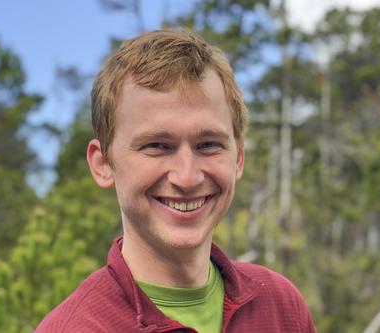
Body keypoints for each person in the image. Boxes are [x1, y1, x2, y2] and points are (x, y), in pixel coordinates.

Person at [36, 29, 316, 333]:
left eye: (208, 144)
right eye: (157, 146)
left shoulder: (281, 309)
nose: (187, 177)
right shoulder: (76, 328)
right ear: (103, 163)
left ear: (238, 159)